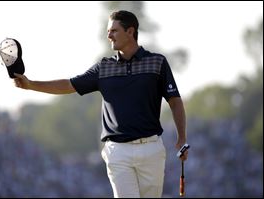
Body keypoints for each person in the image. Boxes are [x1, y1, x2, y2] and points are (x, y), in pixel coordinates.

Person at [14, 10, 188, 198]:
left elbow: (175, 101)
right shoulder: (104, 67)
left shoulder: (157, 63)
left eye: (114, 30)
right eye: (108, 31)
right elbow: (69, 84)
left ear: (130, 32)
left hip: (151, 149)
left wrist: (182, 137)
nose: (109, 35)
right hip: (118, 151)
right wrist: (31, 84)